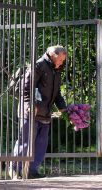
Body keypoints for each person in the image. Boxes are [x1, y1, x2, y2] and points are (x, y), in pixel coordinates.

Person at [9, 45, 67, 179]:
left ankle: (31, 171)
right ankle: (15, 170)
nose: (62, 62)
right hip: (30, 111)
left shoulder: (56, 69)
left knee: (41, 144)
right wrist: (31, 104)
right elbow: (26, 86)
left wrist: (62, 107)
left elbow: (56, 92)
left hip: (45, 112)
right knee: (25, 142)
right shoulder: (39, 65)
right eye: (61, 59)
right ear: (53, 55)